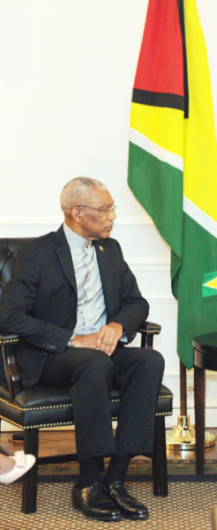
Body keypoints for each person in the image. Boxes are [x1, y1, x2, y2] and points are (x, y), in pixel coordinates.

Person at [0, 177, 165, 522]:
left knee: (150, 361)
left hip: (101, 354)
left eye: (111, 209)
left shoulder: (111, 250)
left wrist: (118, 326)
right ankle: (88, 482)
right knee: (93, 364)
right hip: (53, 357)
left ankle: (116, 478)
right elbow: (9, 314)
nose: (112, 217)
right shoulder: (40, 253)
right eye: (105, 210)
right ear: (77, 213)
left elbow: (137, 303)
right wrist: (72, 339)